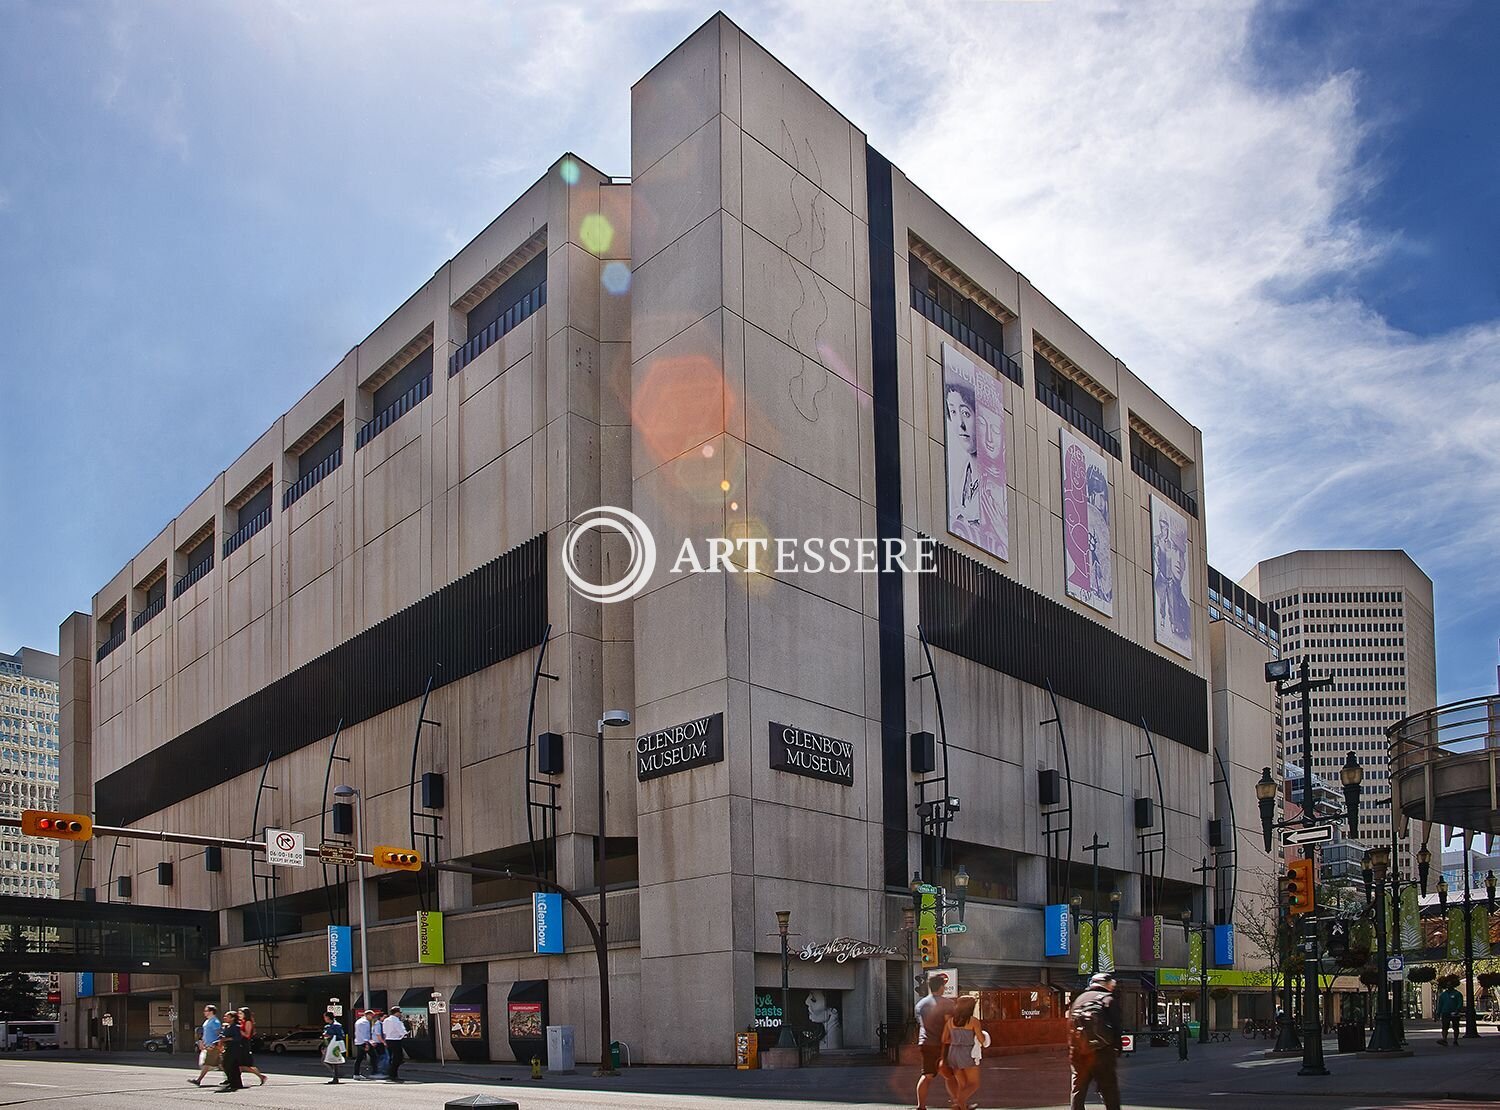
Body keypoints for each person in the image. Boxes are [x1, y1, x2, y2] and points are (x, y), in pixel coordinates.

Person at [1068, 972, 1123, 1110]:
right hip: (1102, 1052)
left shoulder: (1079, 999)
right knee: (1109, 1088)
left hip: (1078, 1053)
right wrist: (1117, 1048)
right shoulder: (1108, 999)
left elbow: (1070, 1026)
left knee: (1078, 1090)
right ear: (1108, 985)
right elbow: (1117, 1027)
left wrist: (1073, 1048)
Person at [914, 973, 957, 1110]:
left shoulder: (920, 1004)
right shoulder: (948, 1004)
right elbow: (948, 1024)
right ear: (941, 987)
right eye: (943, 985)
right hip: (942, 1044)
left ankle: (921, 1106)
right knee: (949, 1075)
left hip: (925, 1043)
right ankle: (958, 1103)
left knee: (927, 1075)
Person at [940, 996, 989, 1110]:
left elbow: (944, 1039)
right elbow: (981, 1039)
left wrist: (956, 1040)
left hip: (953, 1053)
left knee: (962, 1083)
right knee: (974, 1084)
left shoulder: (950, 1021)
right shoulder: (973, 1021)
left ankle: (961, 1106)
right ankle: (959, 1101)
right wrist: (984, 1037)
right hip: (967, 1053)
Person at [189, 1004, 222, 1087]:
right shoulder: (207, 1021)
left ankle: (198, 1080)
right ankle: (230, 1078)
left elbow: (219, 1034)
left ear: (211, 1012)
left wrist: (216, 1044)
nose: (204, 1012)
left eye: (206, 1011)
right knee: (219, 1064)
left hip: (213, 1046)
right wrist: (202, 1042)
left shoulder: (215, 1021)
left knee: (207, 1063)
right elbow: (205, 1034)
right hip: (207, 1045)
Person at [215, 1009, 246, 1093]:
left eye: (227, 1016)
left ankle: (233, 1082)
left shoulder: (236, 1027)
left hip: (234, 1048)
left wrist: (226, 1039)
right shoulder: (227, 1026)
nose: (225, 1018)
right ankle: (235, 1083)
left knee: (227, 1064)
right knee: (231, 1066)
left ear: (232, 1018)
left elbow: (237, 1038)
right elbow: (224, 1035)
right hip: (228, 1047)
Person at [235, 1008, 267, 1086]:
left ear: (245, 1014)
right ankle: (235, 1080)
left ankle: (261, 1076)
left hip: (245, 1044)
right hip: (240, 1044)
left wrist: (239, 1030)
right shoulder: (241, 1022)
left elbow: (247, 1035)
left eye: (240, 1013)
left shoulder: (248, 1022)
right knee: (239, 1065)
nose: (238, 1015)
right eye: (238, 1013)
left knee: (246, 1065)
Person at [380, 1006, 407, 1082]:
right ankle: (393, 1074)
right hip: (396, 1040)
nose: (400, 1014)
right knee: (398, 1058)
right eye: (399, 1013)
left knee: (392, 1057)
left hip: (388, 1039)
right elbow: (401, 1031)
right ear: (397, 1013)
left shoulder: (386, 1020)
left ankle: (391, 1073)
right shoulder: (396, 1021)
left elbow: (384, 1031)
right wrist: (404, 1034)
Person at [322, 1010, 347, 1083]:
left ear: (328, 1017)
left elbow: (341, 1035)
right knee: (330, 1061)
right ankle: (336, 1076)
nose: (324, 1018)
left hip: (334, 1045)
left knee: (332, 1061)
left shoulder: (336, 1025)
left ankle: (336, 1076)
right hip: (329, 1044)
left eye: (325, 1017)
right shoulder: (328, 1026)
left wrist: (331, 1035)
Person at [351, 1007, 374, 1079]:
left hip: (359, 1042)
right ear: (367, 1015)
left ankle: (356, 1073)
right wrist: (367, 1043)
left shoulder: (358, 1021)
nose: (372, 1017)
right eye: (371, 1016)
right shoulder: (365, 1022)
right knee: (374, 1056)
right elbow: (365, 1033)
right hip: (364, 1042)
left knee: (359, 1059)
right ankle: (375, 1072)